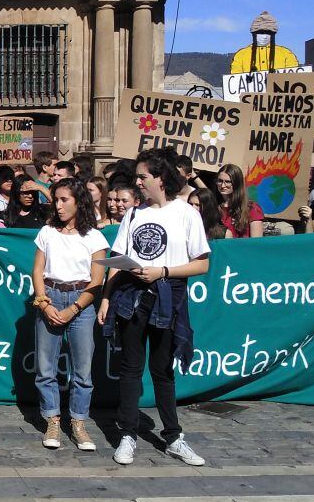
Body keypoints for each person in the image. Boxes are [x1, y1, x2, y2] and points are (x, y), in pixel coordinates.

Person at [99, 148, 211, 467]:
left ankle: (173, 436)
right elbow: (117, 261)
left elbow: (201, 265)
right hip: (132, 296)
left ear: (161, 178)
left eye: (143, 176)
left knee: (162, 370)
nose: (138, 182)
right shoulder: (135, 214)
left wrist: (162, 271)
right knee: (131, 368)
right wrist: (107, 297)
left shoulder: (186, 213)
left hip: (167, 296)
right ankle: (128, 433)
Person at [31, 179, 107, 451]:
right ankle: (52, 418)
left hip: (81, 302)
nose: (59, 205)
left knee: (82, 369)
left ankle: (78, 422)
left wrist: (74, 309)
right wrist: (44, 304)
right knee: (45, 367)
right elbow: (37, 270)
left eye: (64, 200)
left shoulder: (95, 237)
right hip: (50, 295)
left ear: (79, 202)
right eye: (56, 200)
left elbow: (97, 281)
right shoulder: (48, 232)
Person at [215, 164, 263, 238]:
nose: (222, 186)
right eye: (220, 181)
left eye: (228, 182)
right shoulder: (214, 206)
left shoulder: (252, 208)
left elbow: (257, 243)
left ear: (237, 183)